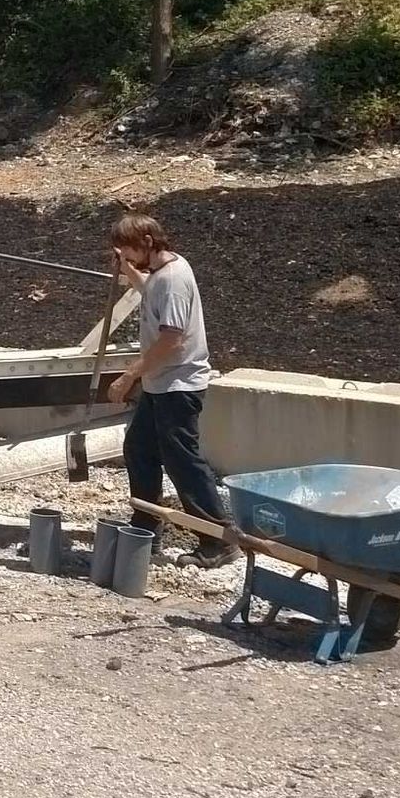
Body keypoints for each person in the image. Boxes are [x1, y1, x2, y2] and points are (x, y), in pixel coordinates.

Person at [104, 212, 236, 569]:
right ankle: (145, 527)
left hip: (179, 385)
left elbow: (172, 341)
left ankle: (218, 539)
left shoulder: (175, 279)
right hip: (161, 383)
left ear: (147, 242)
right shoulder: (162, 274)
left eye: (129, 250)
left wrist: (128, 376)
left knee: (183, 461)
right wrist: (127, 270)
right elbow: (150, 289)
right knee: (140, 449)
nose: (127, 257)